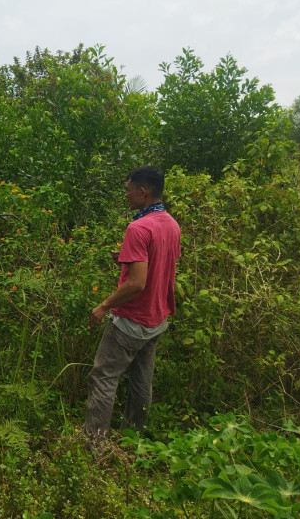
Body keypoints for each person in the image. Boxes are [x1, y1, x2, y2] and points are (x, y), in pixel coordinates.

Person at [85, 165, 181, 441]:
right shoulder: (171, 224)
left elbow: (137, 283)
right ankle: (133, 437)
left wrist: (104, 306)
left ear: (143, 192)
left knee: (103, 377)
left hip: (131, 321)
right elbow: (160, 262)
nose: (125, 195)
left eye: (128, 190)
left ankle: (95, 442)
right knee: (141, 380)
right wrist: (126, 259)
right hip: (157, 319)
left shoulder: (138, 228)